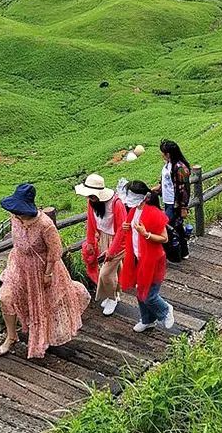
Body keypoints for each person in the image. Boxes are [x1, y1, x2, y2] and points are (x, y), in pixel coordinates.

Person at [0, 183, 90, 359]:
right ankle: (11, 336)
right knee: (5, 296)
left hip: (41, 269)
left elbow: (55, 251)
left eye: (18, 209)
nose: (15, 212)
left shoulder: (45, 225)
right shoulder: (14, 217)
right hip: (18, 264)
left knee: (44, 304)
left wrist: (48, 274)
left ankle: (43, 336)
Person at [120, 180, 175, 332]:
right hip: (138, 257)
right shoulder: (133, 211)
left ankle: (165, 310)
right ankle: (147, 320)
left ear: (143, 197)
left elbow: (164, 238)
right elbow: (131, 230)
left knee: (149, 296)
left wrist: (146, 234)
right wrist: (127, 227)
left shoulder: (155, 213)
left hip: (153, 259)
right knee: (140, 292)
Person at [75, 173, 127, 316]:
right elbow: (91, 221)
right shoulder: (93, 202)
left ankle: (112, 297)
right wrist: (91, 241)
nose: (89, 199)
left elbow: (122, 230)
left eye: (91, 196)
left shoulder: (116, 204)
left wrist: (111, 250)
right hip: (105, 237)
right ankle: (115, 292)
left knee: (105, 273)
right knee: (113, 270)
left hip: (118, 242)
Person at [153, 139, 192, 260]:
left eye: (163, 152)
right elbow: (167, 182)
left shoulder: (180, 167)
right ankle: (182, 252)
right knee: (177, 227)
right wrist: (158, 189)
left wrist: (183, 207)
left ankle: (172, 253)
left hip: (175, 204)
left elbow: (184, 189)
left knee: (167, 226)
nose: (161, 155)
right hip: (168, 201)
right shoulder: (168, 164)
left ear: (168, 154)